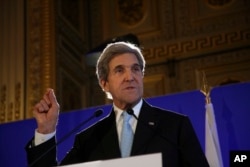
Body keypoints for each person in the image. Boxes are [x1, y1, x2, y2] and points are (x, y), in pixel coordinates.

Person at [26, 41, 209, 167]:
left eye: (135, 69)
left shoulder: (175, 127)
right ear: (104, 83)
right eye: (120, 70)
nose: (130, 77)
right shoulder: (89, 139)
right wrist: (46, 130)